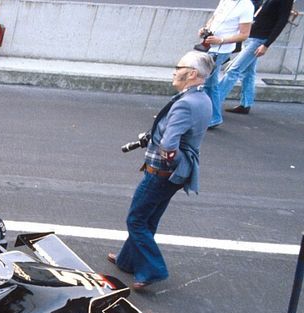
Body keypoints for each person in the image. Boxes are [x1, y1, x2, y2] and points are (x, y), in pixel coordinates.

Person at [108, 51, 212, 291]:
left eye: (179, 67)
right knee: (149, 219)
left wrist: (167, 159)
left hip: (161, 173)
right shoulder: (202, 99)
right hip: (177, 173)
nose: (175, 71)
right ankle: (128, 261)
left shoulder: (186, 103)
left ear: (192, 73)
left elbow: (169, 143)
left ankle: (154, 269)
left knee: (136, 220)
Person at [215, 0, 295, 118]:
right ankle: (246, 104)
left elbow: (281, 22)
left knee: (233, 70)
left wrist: (267, 44)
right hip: (252, 36)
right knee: (249, 72)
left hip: (259, 39)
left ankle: (214, 103)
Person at [200, 0, 255, 129]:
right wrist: (205, 29)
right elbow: (214, 18)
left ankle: (212, 117)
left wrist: (221, 40)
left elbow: (244, 35)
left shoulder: (247, 6)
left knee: (205, 81)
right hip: (211, 47)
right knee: (210, 84)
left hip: (220, 50)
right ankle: (213, 117)